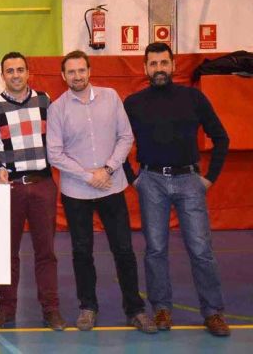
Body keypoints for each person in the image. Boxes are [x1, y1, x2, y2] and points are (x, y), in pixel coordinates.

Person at [123, 42, 230, 336]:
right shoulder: (133, 103)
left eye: (163, 63)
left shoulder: (194, 98)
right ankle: (161, 309)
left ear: (173, 65)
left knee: (201, 250)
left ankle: (213, 312)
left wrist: (209, 179)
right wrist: (133, 178)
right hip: (151, 182)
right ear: (145, 68)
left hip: (189, 181)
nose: (159, 69)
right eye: (153, 64)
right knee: (155, 250)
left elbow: (221, 138)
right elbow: (118, 142)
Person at [46, 50, 156, 333]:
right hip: (76, 191)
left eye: (81, 70)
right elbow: (55, 154)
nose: (77, 76)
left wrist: (106, 170)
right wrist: (87, 176)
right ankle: (88, 307)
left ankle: (135, 309)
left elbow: (125, 136)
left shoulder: (111, 97)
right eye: (71, 72)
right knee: (82, 251)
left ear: (89, 70)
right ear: (63, 76)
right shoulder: (57, 108)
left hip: (112, 185)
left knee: (123, 249)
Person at [0, 51, 66, 331]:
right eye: (9, 71)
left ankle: (51, 309)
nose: (15, 75)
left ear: (28, 73)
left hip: (42, 185)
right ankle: (6, 308)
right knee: (6, 252)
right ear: (2, 75)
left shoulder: (46, 102)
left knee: (45, 251)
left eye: (20, 70)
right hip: (9, 188)